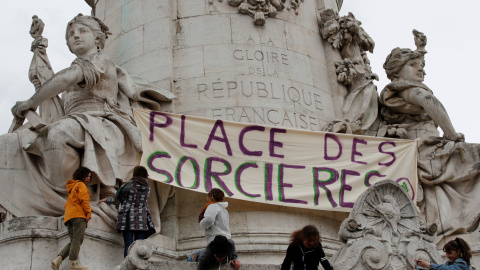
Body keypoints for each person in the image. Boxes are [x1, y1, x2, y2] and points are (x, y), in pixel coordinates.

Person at [1, 13, 174, 226]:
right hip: (76, 120)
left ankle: (72, 198)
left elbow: (68, 77)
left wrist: (31, 102)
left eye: (83, 31)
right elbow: (52, 85)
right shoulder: (77, 64)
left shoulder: (100, 60)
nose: (75, 36)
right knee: (8, 143)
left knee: (57, 134)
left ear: (98, 39)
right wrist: (38, 47)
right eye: (71, 34)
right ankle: (35, 203)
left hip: (102, 121)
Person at [99, 166, 155, 258]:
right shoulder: (148, 188)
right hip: (142, 221)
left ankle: (127, 266)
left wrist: (106, 200)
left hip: (128, 219)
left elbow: (117, 200)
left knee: (128, 245)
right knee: (139, 247)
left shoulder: (128, 185)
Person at [51, 167, 92, 270]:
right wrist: (88, 213)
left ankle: (58, 260)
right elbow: (84, 200)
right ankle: (74, 264)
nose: (88, 178)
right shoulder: (81, 185)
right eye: (87, 176)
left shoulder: (72, 187)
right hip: (79, 216)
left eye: (89, 177)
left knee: (74, 241)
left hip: (69, 217)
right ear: (81, 175)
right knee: (77, 240)